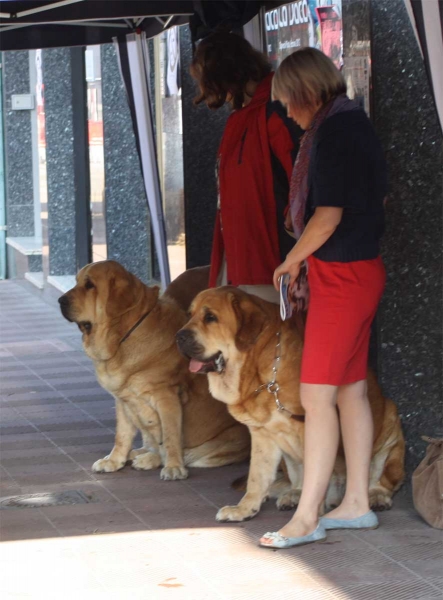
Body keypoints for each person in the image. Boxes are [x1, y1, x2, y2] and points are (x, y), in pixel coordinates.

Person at [259, 48, 388, 549]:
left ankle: (307, 516)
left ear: (306, 91)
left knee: (316, 395)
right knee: (350, 389)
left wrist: (292, 261)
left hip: (343, 276)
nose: (288, 113)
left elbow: (327, 216)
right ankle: (355, 503)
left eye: (288, 102)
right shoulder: (351, 123)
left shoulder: (333, 132)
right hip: (359, 271)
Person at [191, 32, 302, 303]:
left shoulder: (276, 110)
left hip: (271, 255)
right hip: (246, 252)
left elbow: (301, 179)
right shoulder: (248, 114)